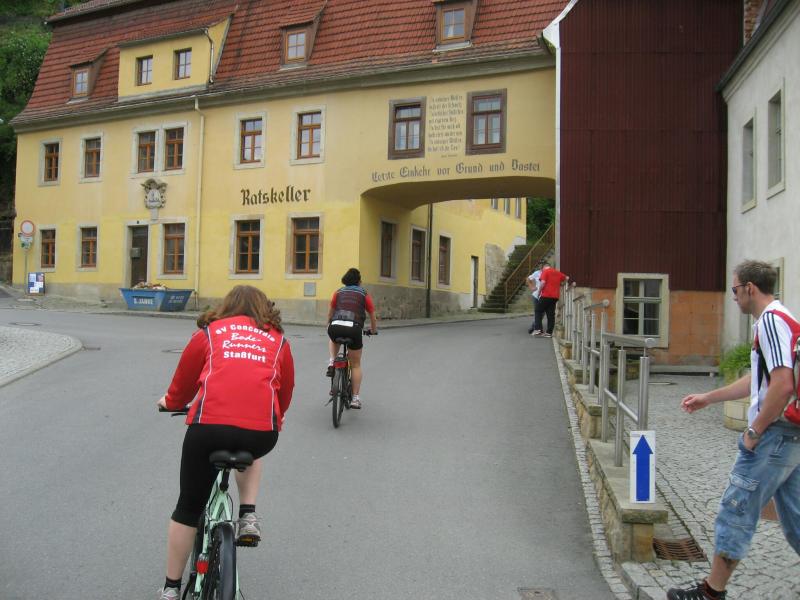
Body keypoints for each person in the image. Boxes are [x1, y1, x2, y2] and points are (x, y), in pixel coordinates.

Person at [667, 260, 800, 600]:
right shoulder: (783, 318)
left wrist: (754, 431)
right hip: (791, 436)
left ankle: (711, 593)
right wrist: (710, 397)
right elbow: (760, 379)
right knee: (796, 520)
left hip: (773, 437)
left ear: (750, 288)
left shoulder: (769, 321)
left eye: (735, 289)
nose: (734, 296)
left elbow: (782, 385)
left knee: (736, 510)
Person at [155, 285, 294, 600]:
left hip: (208, 430)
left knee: (188, 508)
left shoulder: (209, 333)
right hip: (262, 433)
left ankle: (171, 589)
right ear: (264, 308)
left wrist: (169, 402)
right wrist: (275, 417)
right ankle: (248, 514)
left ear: (226, 306)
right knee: (252, 447)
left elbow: (182, 385)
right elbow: (284, 391)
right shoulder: (278, 340)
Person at [327, 268, 377, 409]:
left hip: (335, 326)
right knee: (355, 365)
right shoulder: (364, 294)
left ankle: (332, 361)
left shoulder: (338, 292)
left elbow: (330, 314)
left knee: (333, 337)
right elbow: (373, 316)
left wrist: (329, 325)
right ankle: (355, 398)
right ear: (359, 281)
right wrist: (373, 330)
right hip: (354, 328)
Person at [533, 263, 568, 338]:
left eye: (542, 269)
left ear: (544, 267)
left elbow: (542, 283)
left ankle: (538, 329)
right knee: (551, 314)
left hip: (546, 295)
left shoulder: (545, 271)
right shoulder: (557, 272)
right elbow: (567, 278)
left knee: (538, 310)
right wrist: (562, 284)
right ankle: (549, 333)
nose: (541, 270)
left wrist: (539, 293)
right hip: (555, 297)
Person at [526, 263, 544, 334]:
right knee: (538, 312)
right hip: (536, 295)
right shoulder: (537, 273)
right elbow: (528, 279)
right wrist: (532, 287)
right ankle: (538, 328)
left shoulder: (549, 274)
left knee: (542, 313)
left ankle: (534, 326)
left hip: (544, 296)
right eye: (543, 267)